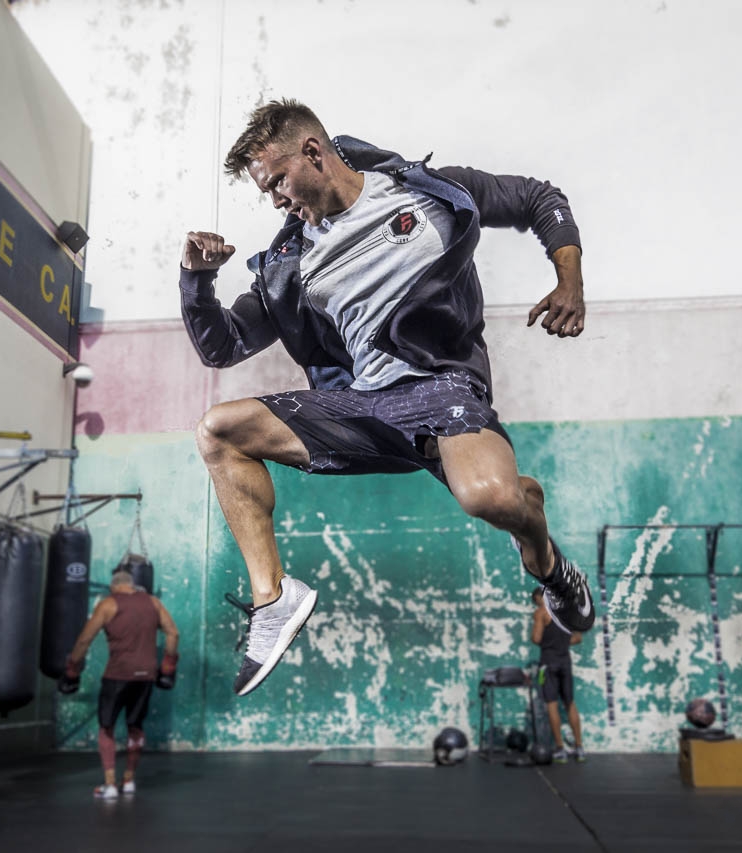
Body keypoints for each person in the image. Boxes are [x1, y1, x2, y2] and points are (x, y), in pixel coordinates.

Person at [180, 98, 596, 696]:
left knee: (493, 498)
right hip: (363, 406)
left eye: (276, 182)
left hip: (443, 389)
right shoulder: (290, 263)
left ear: (313, 152)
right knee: (219, 430)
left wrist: (569, 281)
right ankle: (272, 599)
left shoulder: (426, 192)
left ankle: (549, 566)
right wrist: (197, 280)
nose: (273, 201)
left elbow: (538, 198)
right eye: (264, 190)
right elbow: (221, 345)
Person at [60, 563, 180, 799]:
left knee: (107, 728)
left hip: (117, 676)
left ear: (114, 586)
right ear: (132, 585)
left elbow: (84, 640)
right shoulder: (153, 602)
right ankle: (129, 780)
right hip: (146, 676)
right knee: (135, 726)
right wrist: (168, 663)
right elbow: (173, 633)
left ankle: (110, 785)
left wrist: (72, 668)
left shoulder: (108, 603)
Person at [532, 588, 585, 762]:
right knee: (570, 703)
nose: (538, 604)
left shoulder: (541, 613)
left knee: (552, 704)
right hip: (565, 662)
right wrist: (561, 642)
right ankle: (579, 748)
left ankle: (560, 749)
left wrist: (549, 642)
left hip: (548, 662)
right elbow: (577, 638)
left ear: (540, 598)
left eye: (537, 601)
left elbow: (536, 638)